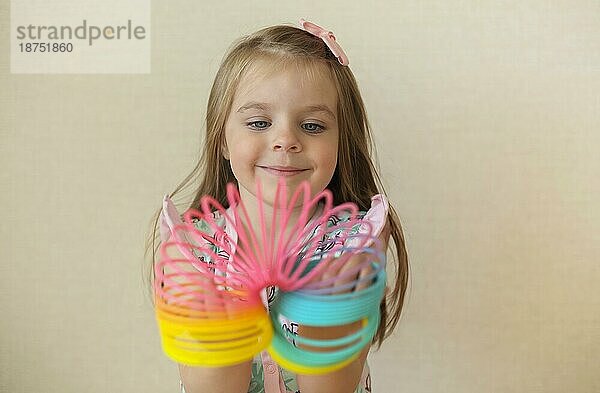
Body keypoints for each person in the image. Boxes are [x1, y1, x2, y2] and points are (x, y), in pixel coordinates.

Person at [146, 18, 410, 393]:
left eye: (313, 126)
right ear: (222, 140)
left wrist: (332, 324)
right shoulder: (196, 247)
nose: (285, 140)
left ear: (341, 143)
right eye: (258, 122)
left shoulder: (350, 245)